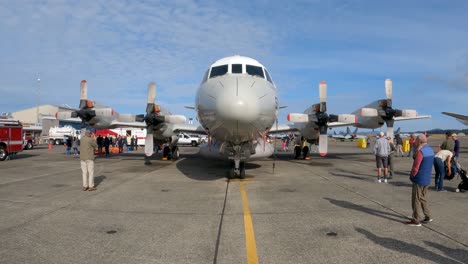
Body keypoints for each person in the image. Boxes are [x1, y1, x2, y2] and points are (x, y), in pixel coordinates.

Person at [406, 134, 434, 226]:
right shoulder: (430, 150)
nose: (415, 142)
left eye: (416, 140)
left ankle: (416, 220)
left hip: (419, 178)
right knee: (423, 198)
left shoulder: (421, 152)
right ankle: (428, 216)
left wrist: (412, 176)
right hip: (427, 178)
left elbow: (416, 167)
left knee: (416, 199)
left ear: (419, 141)